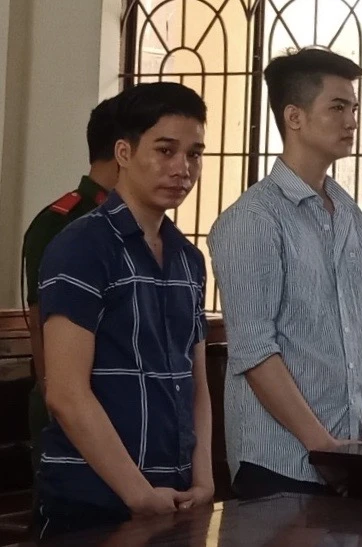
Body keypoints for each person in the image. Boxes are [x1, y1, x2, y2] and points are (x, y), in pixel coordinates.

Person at [208, 47, 362, 500]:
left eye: (354, 109)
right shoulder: (253, 219)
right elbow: (254, 349)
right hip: (280, 462)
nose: (351, 121)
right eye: (337, 108)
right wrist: (320, 445)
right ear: (294, 117)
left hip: (355, 454)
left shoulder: (350, 215)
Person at [35, 82, 213, 538]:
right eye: (165, 150)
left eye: (194, 154)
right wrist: (138, 494)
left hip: (174, 495)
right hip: (94, 499)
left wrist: (204, 479)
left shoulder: (188, 259)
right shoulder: (83, 245)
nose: (182, 168)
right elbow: (66, 393)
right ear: (124, 153)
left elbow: (195, 384)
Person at [22, 95, 121, 475]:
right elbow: (41, 322)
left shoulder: (144, 225)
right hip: (73, 404)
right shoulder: (61, 221)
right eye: (161, 148)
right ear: (123, 150)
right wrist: (57, 404)